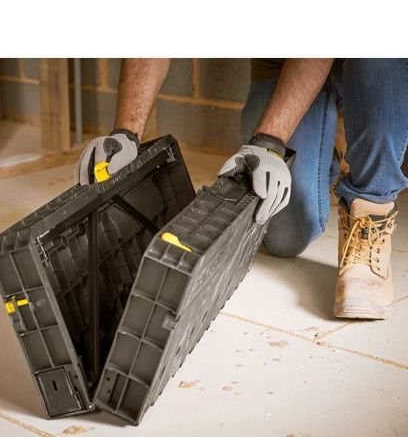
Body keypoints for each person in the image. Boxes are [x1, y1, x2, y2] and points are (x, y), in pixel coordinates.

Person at [74, 58, 408, 320]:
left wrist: (270, 141)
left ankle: (371, 204)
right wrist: (126, 132)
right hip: (283, 57)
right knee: (284, 234)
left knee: (378, 64)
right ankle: (327, 143)